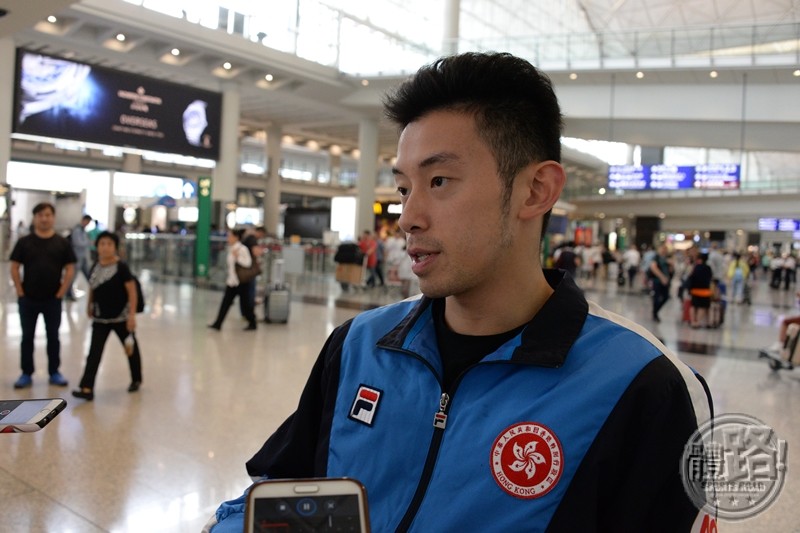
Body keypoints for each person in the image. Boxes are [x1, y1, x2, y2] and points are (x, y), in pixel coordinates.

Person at [205, 52, 714, 532]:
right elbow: (281, 489)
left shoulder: (643, 388)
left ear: (536, 191)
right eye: (404, 188)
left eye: (441, 180)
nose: (408, 217)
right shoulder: (359, 345)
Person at [9, 202, 76, 389]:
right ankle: (26, 373)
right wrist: (20, 291)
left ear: (53, 218)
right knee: (27, 337)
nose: (44, 218)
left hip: (52, 300)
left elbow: (70, 267)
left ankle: (54, 372)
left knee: (53, 337)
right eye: (40, 215)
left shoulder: (62, 243)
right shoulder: (24, 242)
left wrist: (62, 291)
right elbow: (14, 266)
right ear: (35, 218)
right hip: (28, 299)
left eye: (47, 215)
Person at [71, 231, 143, 401]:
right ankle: (87, 388)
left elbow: (132, 292)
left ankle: (136, 379)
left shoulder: (122, 267)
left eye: (109, 244)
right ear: (97, 246)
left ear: (115, 247)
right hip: (100, 318)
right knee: (94, 353)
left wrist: (132, 315)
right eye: (102, 244)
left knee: (130, 349)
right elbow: (93, 288)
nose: (105, 247)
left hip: (121, 318)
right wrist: (89, 305)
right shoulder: (95, 266)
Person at [208, 229, 257, 331]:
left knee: (245, 304)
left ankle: (252, 322)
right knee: (225, 302)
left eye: (230, 236)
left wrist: (237, 257)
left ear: (236, 237)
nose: (228, 238)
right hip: (232, 281)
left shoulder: (242, 249)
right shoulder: (231, 248)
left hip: (242, 282)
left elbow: (247, 263)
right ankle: (218, 323)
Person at [66, 214, 93, 301]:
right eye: (87, 221)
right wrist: (88, 242)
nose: (87, 224)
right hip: (77, 257)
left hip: (83, 257)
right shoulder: (77, 230)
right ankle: (68, 293)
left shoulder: (83, 230)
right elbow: (77, 243)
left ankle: (95, 291)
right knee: (73, 275)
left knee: (89, 275)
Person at [687, 252, 713, 328]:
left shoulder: (695, 267)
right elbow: (710, 278)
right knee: (702, 307)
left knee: (693, 305)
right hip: (704, 290)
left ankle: (692, 321)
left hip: (694, 289)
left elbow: (690, 277)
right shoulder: (708, 268)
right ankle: (698, 322)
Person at [649, 244, 673, 323]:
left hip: (666, 281)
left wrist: (671, 265)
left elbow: (670, 270)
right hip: (657, 281)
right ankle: (655, 313)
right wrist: (662, 277)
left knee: (665, 297)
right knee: (656, 297)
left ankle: (656, 311)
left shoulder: (667, 259)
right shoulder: (656, 258)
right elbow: (653, 268)